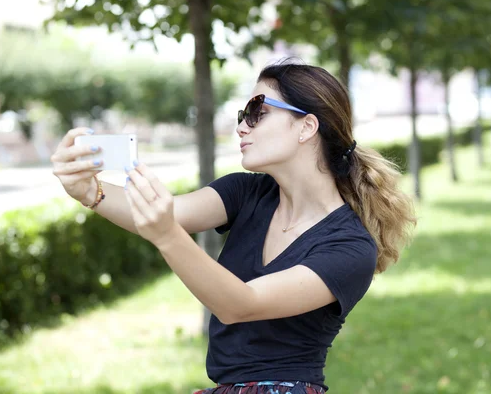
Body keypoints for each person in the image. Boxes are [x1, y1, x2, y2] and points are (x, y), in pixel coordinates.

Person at [51, 60, 417, 393]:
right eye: (244, 113)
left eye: (257, 111)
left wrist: (167, 237)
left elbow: (240, 304)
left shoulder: (351, 248)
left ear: (307, 126)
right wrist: (90, 191)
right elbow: (168, 212)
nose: (242, 126)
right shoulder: (247, 192)